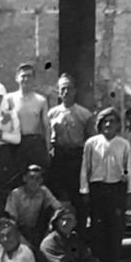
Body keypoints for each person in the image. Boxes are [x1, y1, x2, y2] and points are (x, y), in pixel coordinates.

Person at [80, 107, 131, 262]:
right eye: (105, 121)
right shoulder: (92, 143)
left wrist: (129, 190)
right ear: (100, 124)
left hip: (116, 189)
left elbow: (128, 168)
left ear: (118, 124)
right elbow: (85, 168)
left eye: (112, 121)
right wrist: (85, 190)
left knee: (115, 228)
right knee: (98, 229)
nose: (108, 125)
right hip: (97, 189)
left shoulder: (123, 144)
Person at [47, 73, 94, 225]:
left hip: (76, 158)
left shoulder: (84, 114)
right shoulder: (51, 114)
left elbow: (90, 140)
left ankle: (79, 230)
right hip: (58, 156)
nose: (66, 92)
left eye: (69, 88)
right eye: (63, 89)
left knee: (77, 195)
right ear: (58, 92)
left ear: (75, 91)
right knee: (57, 194)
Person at [7, 63, 51, 175]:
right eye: (23, 76)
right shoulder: (9, 99)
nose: (26, 79)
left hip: (35, 144)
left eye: (29, 76)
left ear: (34, 79)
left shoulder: (41, 100)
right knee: (17, 176)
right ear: (17, 78)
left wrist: (48, 148)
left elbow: (46, 126)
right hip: (16, 143)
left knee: (36, 176)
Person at [4, 164, 62, 249]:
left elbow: (59, 208)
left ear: (41, 180)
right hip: (17, 230)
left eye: (37, 179)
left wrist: (52, 221)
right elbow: (11, 222)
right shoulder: (16, 194)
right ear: (24, 178)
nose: (34, 182)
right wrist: (22, 240)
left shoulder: (43, 191)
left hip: (35, 231)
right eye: (31, 178)